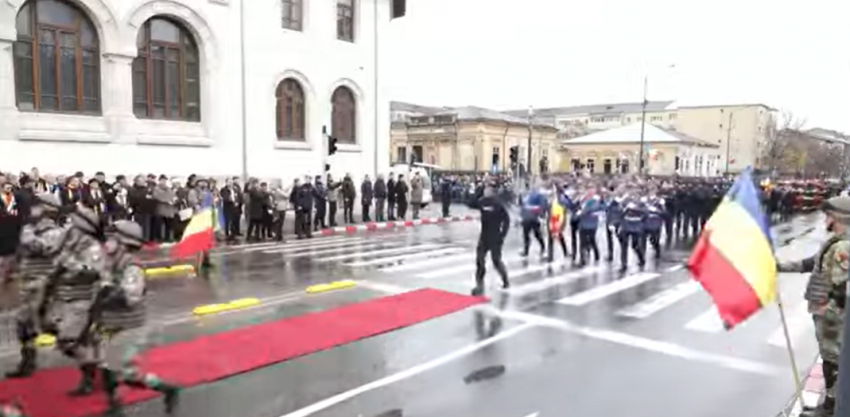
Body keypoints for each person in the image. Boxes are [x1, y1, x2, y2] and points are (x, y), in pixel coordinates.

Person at [96, 220, 181, 415]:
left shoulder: (132, 266)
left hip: (129, 326)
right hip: (111, 322)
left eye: (112, 238)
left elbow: (131, 296)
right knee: (106, 368)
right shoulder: (109, 261)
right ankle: (114, 406)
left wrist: (106, 292)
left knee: (125, 373)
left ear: (124, 243)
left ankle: (167, 388)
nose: (107, 242)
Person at [777, 195, 850, 417]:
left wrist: (830, 310)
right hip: (825, 310)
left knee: (833, 360)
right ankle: (830, 404)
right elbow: (812, 263)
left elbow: (841, 285)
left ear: (837, 217)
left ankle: (831, 406)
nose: (825, 220)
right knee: (830, 357)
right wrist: (780, 266)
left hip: (831, 314)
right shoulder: (835, 242)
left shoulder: (843, 246)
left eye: (828, 216)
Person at [50, 205, 109, 395]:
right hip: (68, 298)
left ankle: (93, 374)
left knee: (69, 341)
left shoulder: (91, 247)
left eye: (72, 221)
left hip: (84, 300)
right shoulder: (68, 241)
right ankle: (94, 376)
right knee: (83, 341)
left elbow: (92, 272)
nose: (68, 224)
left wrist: (69, 263)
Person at [4, 193, 65, 378]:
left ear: (48, 209)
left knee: (50, 324)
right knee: (24, 322)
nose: (33, 209)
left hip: (46, 283)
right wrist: (11, 270)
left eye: (37, 206)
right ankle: (27, 361)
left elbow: (42, 248)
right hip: (29, 281)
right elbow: (20, 252)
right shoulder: (29, 228)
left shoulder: (56, 231)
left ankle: (90, 359)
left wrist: (28, 235)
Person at [467, 185, 510, 296]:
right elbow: (470, 203)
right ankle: (479, 285)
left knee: (496, 261)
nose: (486, 191)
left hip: (495, 237)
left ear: (492, 192)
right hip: (484, 236)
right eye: (485, 190)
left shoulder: (498, 204)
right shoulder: (482, 202)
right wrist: (479, 191)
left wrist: (503, 235)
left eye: (488, 190)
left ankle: (505, 280)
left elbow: (507, 220)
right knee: (480, 261)